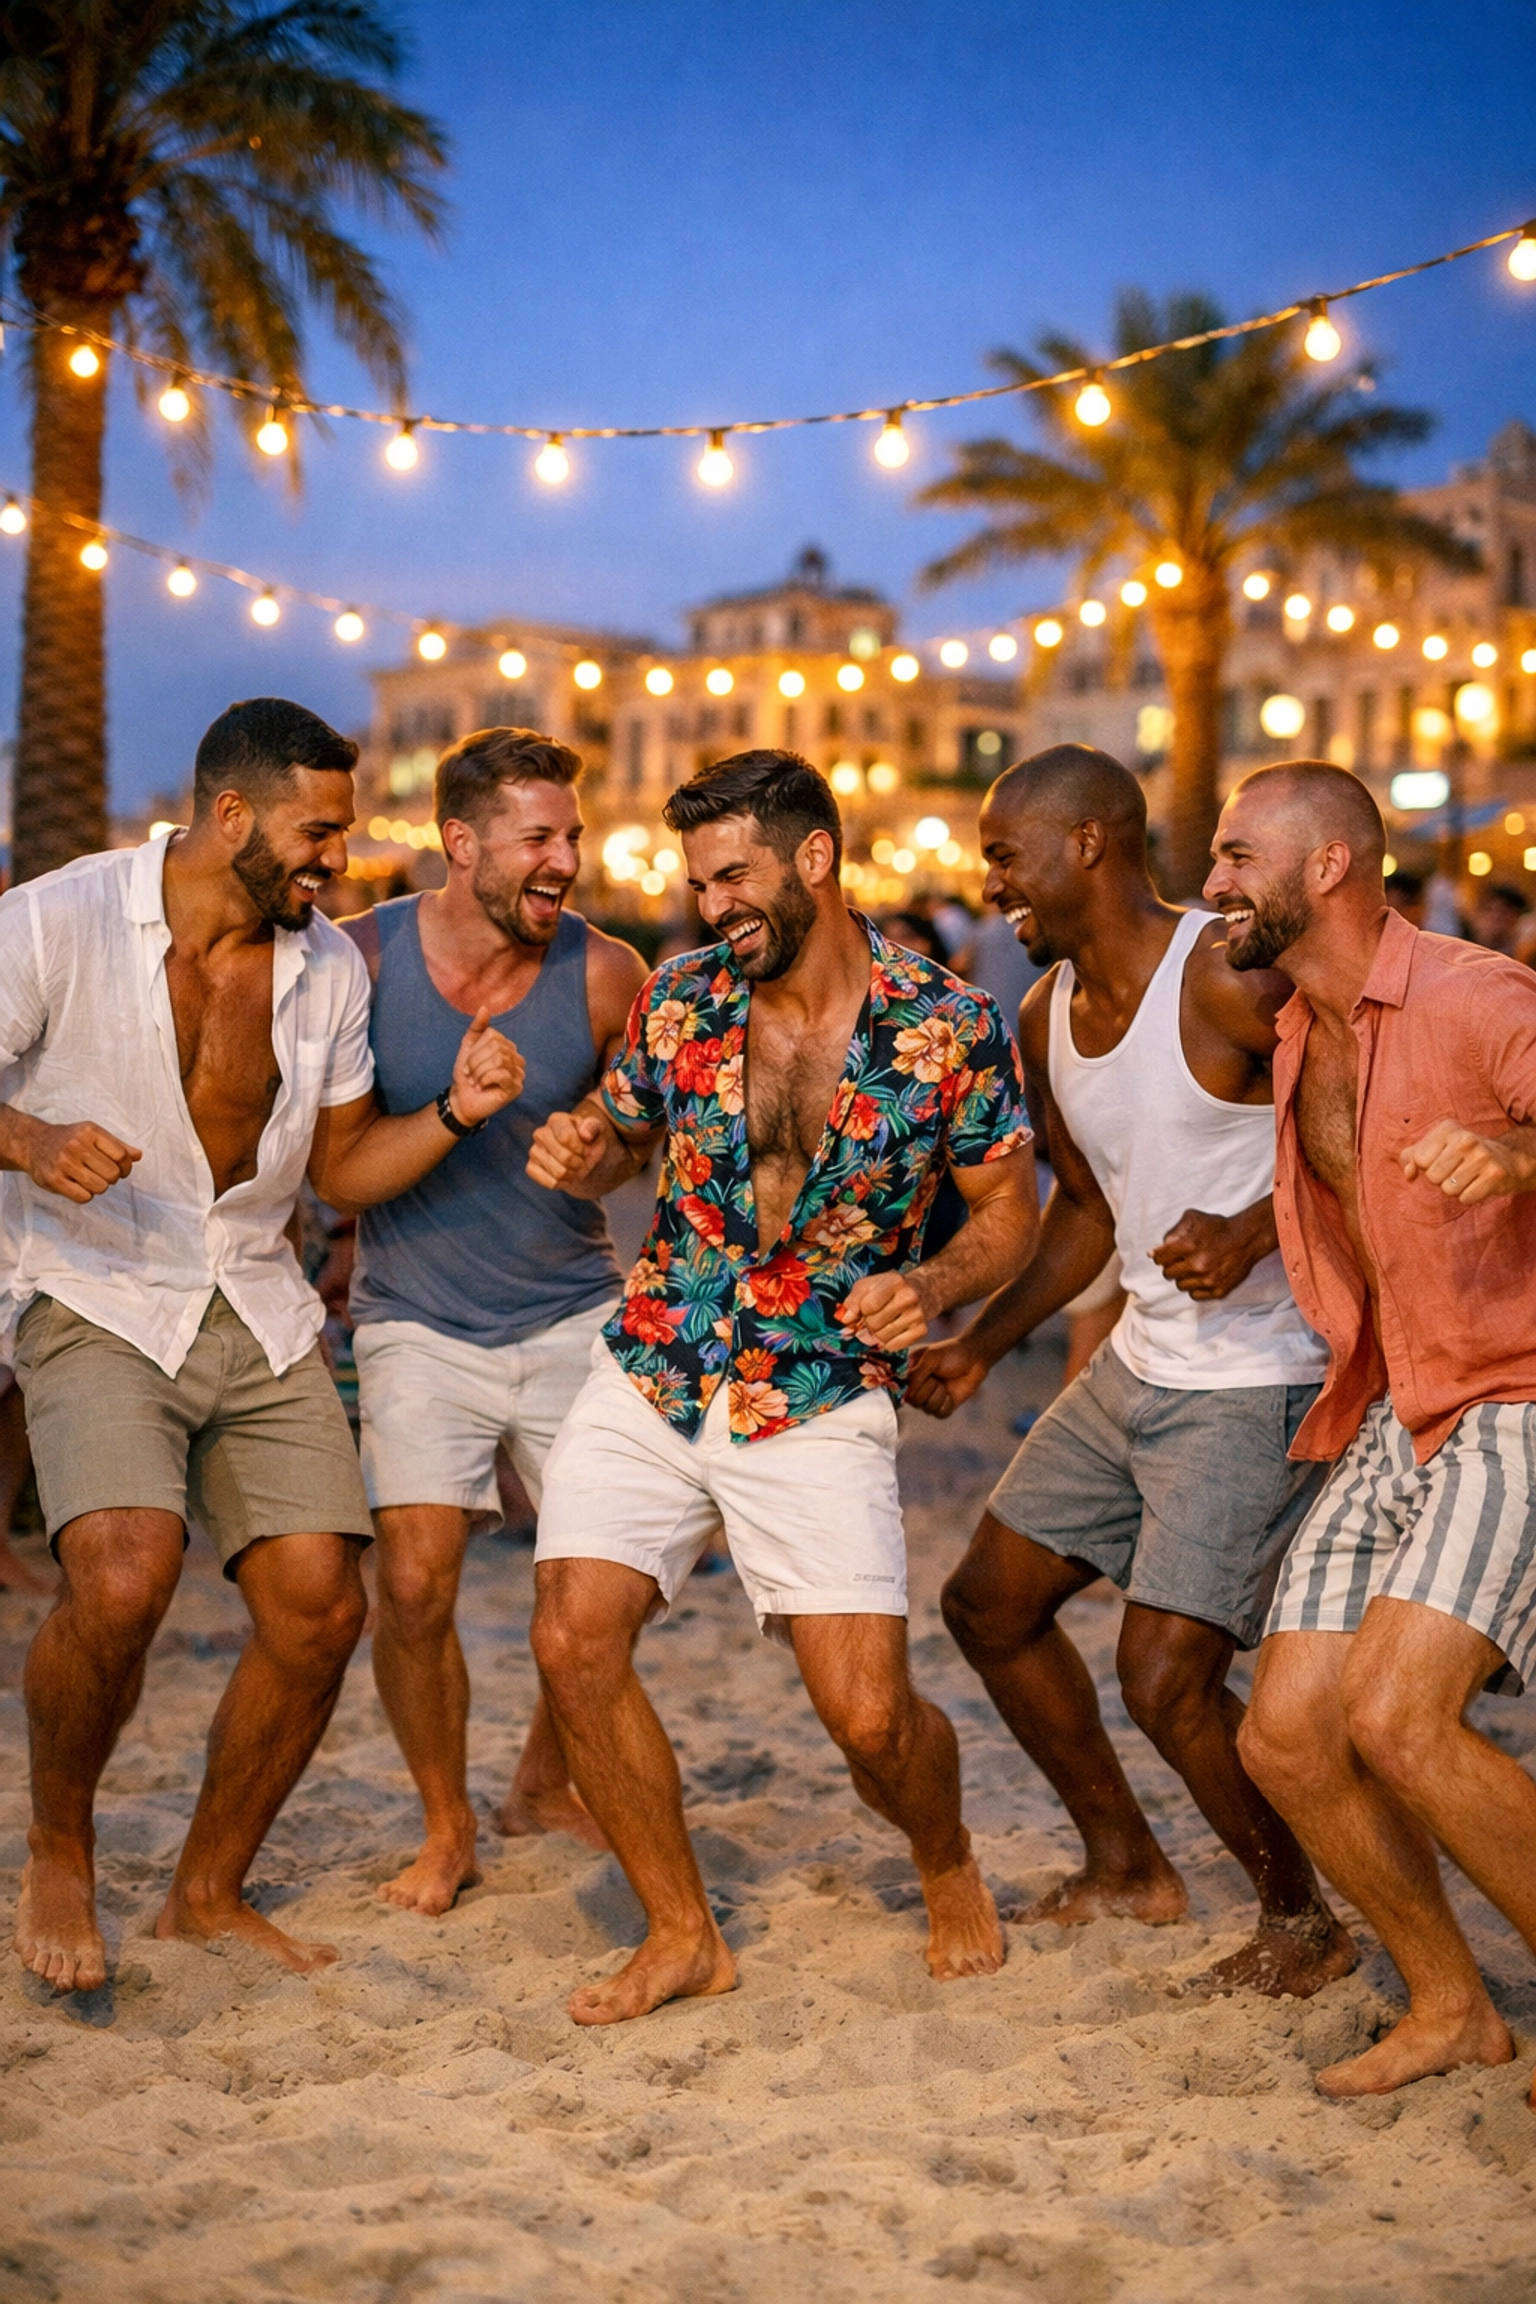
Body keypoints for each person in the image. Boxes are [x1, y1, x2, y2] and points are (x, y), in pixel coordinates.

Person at [0, 698, 524, 1994]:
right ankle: (60, 1847)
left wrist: (456, 1112)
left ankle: (205, 1890)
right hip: (100, 1286)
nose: (335, 861)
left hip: (257, 1295)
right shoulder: (57, 921)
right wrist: (29, 1142)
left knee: (316, 1606)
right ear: (229, 814)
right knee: (122, 1577)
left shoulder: (326, 969)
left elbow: (342, 1166)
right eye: (316, 831)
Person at [525, 749, 1038, 2025]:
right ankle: (681, 1930)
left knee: (867, 1720)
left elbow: (1007, 1212)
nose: (714, 908)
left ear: (814, 858)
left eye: (735, 878)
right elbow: (623, 1142)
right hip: (657, 1356)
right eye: (701, 885)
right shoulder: (680, 1000)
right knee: (572, 1637)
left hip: (816, 1379)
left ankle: (944, 1855)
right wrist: (585, 1151)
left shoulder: (951, 1024)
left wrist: (938, 1288)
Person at [907, 745, 1354, 1999]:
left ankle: (1300, 1922)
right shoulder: (1044, 1013)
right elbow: (1089, 1208)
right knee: (988, 1607)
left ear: (1088, 844)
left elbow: (1358, 1120)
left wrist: (1258, 1228)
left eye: (1005, 855)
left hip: (1262, 1372)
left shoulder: (1221, 969)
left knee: (1163, 1676)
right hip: (1141, 1363)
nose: (989, 880)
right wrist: (985, 1343)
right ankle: (1128, 1865)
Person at [1206, 759, 1536, 2104]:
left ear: (1327, 867)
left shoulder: (1472, 991)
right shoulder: (1297, 1033)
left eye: (1236, 858)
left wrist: (1518, 1156)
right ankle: (1454, 2005)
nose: (1214, 881)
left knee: (1401, 1716)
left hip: (1513, 1388)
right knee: (1285, 1736)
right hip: (1393, 1405)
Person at [341, 726, 647, 1914]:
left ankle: (538, 1777)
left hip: (573, 1306)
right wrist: (460, 1116)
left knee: (615, 1577)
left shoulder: (609, 972)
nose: (566, 857)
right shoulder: (361, 962)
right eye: (541, 835)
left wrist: (601, 1149)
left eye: (573, 834)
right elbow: (339, 1171)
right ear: (461, 844)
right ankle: (445, 1822)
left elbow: (644, 1140)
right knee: (414, 1585)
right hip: (415, 1313)